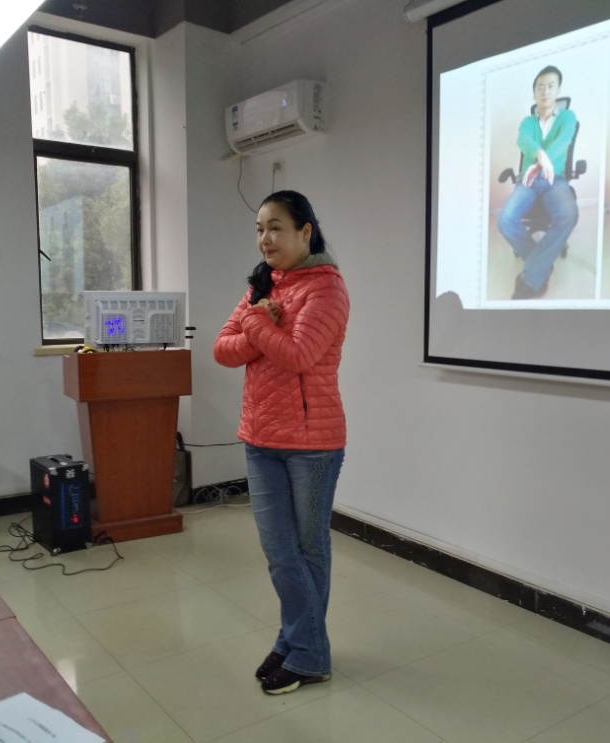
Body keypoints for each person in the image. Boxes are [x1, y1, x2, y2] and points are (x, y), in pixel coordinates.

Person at [213, 190, 349, 695]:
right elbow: (222, 350)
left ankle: (307, 653)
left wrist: (254, 322)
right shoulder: (263, 285)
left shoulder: (327, 288)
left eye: (275, 228)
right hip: (260, 437)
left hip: (312, 444)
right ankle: (298, 642)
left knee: (306, 550)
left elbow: (298, 355)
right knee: (280, 551)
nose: (265, 239)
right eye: (259, 229)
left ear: (304, 232)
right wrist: (258, 323)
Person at [497, 65, 580, 300]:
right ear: (534, 94)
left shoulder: (567, 117)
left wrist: (542, 160)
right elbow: (523, 140)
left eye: (550, 86)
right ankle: (541, 265)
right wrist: (539, 156)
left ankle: (532, 276)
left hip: (556, 179)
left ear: (558, 90)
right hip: (529, 179)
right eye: (540, 87)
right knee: (504, 220)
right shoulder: (528, 122)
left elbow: (564, 141)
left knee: (569, 215)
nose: (545, 91)